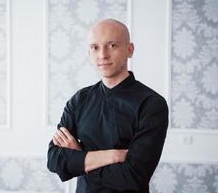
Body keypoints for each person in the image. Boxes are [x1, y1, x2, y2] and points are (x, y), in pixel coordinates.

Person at [47, 19, 168, 193]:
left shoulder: (152, 104)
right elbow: (54, 159)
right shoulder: (79, 100)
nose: (102, 55)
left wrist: (80, 157)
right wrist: (112, 156)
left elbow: (134, 176)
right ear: (89, 52)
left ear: (130, 50)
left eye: (112, 45)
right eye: (95, 47)